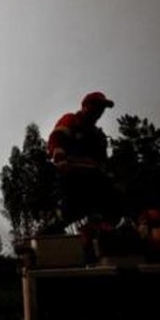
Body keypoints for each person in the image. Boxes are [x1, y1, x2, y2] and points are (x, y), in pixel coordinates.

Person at [47, 91, 117, 229]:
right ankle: (55, 224)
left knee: (110, 201)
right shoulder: (72, 120)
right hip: (72, 171)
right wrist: (60, 158)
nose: (99, 112)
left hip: (95, 176)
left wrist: (109, 173)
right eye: (97, 107)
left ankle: (100, 229)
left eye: (102, 109)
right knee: (71, 209)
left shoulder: (98, 135)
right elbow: (57, 137)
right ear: (86, 107)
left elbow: (103, 160)